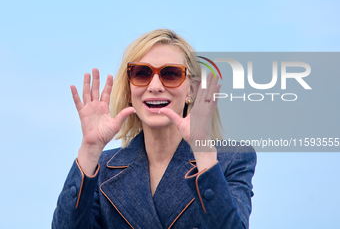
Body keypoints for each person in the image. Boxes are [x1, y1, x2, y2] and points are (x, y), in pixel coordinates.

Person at [52, 29, 256, 229]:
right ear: (129, 91)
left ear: (191, 91)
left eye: (171, 74)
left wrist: (202, 151)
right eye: (142, 74)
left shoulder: (232, 159)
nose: (155, 86)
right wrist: (89, 149)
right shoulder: (102, 169)